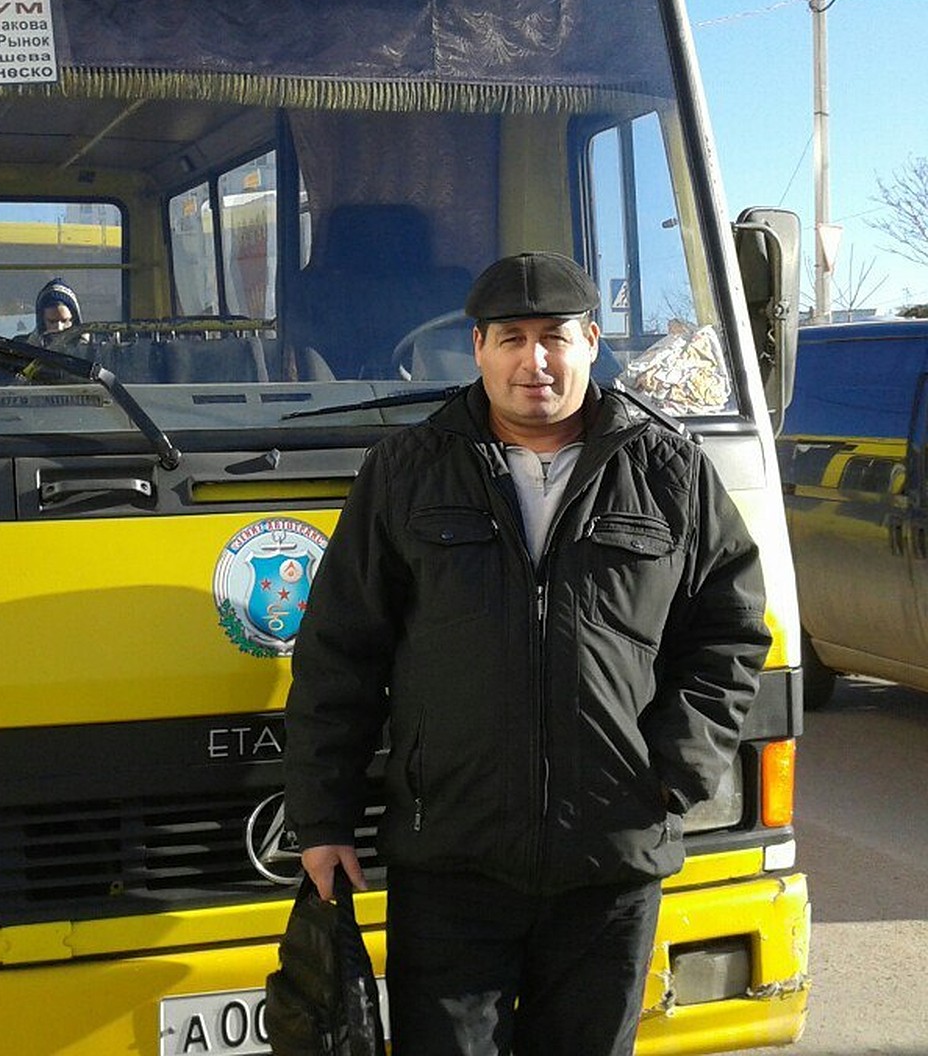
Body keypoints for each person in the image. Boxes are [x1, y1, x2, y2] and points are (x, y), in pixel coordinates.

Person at [283, 251, 770, 1056]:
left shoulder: (669, 472)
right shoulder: (407, 471)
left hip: (609, 862)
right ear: (477, 348)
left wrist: (676, 770)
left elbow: (731, 630)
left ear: (591, 344)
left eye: (555, 337)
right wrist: (323, 818)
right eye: (511, 337)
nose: (533, 361)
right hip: (452, 863)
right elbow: (341, 653)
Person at [27, 277, 83, 343]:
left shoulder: (91, 348)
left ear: (74, 319)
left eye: (65, 321)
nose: (59, 328)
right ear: (42, 321)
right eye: (52, 322)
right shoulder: (23, 347)